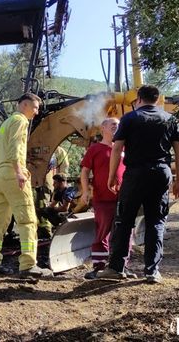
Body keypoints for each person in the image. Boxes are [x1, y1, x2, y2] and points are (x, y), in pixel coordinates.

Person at [98, 85, 179, 284]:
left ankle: (116, 268)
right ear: (157, 99)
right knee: (156, 221)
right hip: (161, 173)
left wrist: (112, 175)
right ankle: (152, 271)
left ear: (138, 99)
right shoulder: (170, 119)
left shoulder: (130, 118)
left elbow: (117, 147)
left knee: (124, 220)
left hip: (135, 174)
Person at [0, 93, 53, 277]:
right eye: (35, 107)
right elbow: (15, 147)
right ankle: (28, 265)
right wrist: (19, 172)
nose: (37, 112)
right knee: (28, 220)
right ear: (24, 105)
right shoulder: (20, 120)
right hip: (12, 174)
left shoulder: (6, 123)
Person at [79, 118, 131, 280]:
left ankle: (122, 267)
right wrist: (85, 191)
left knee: (125, 232)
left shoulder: (125, 148)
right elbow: (85, 172)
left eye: (118, 125)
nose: (116, 127)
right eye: (113, 124)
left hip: (123, 197)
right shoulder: (94, 149)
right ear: (103, 128)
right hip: (102, 198)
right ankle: (98, 267)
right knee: (102, 232)